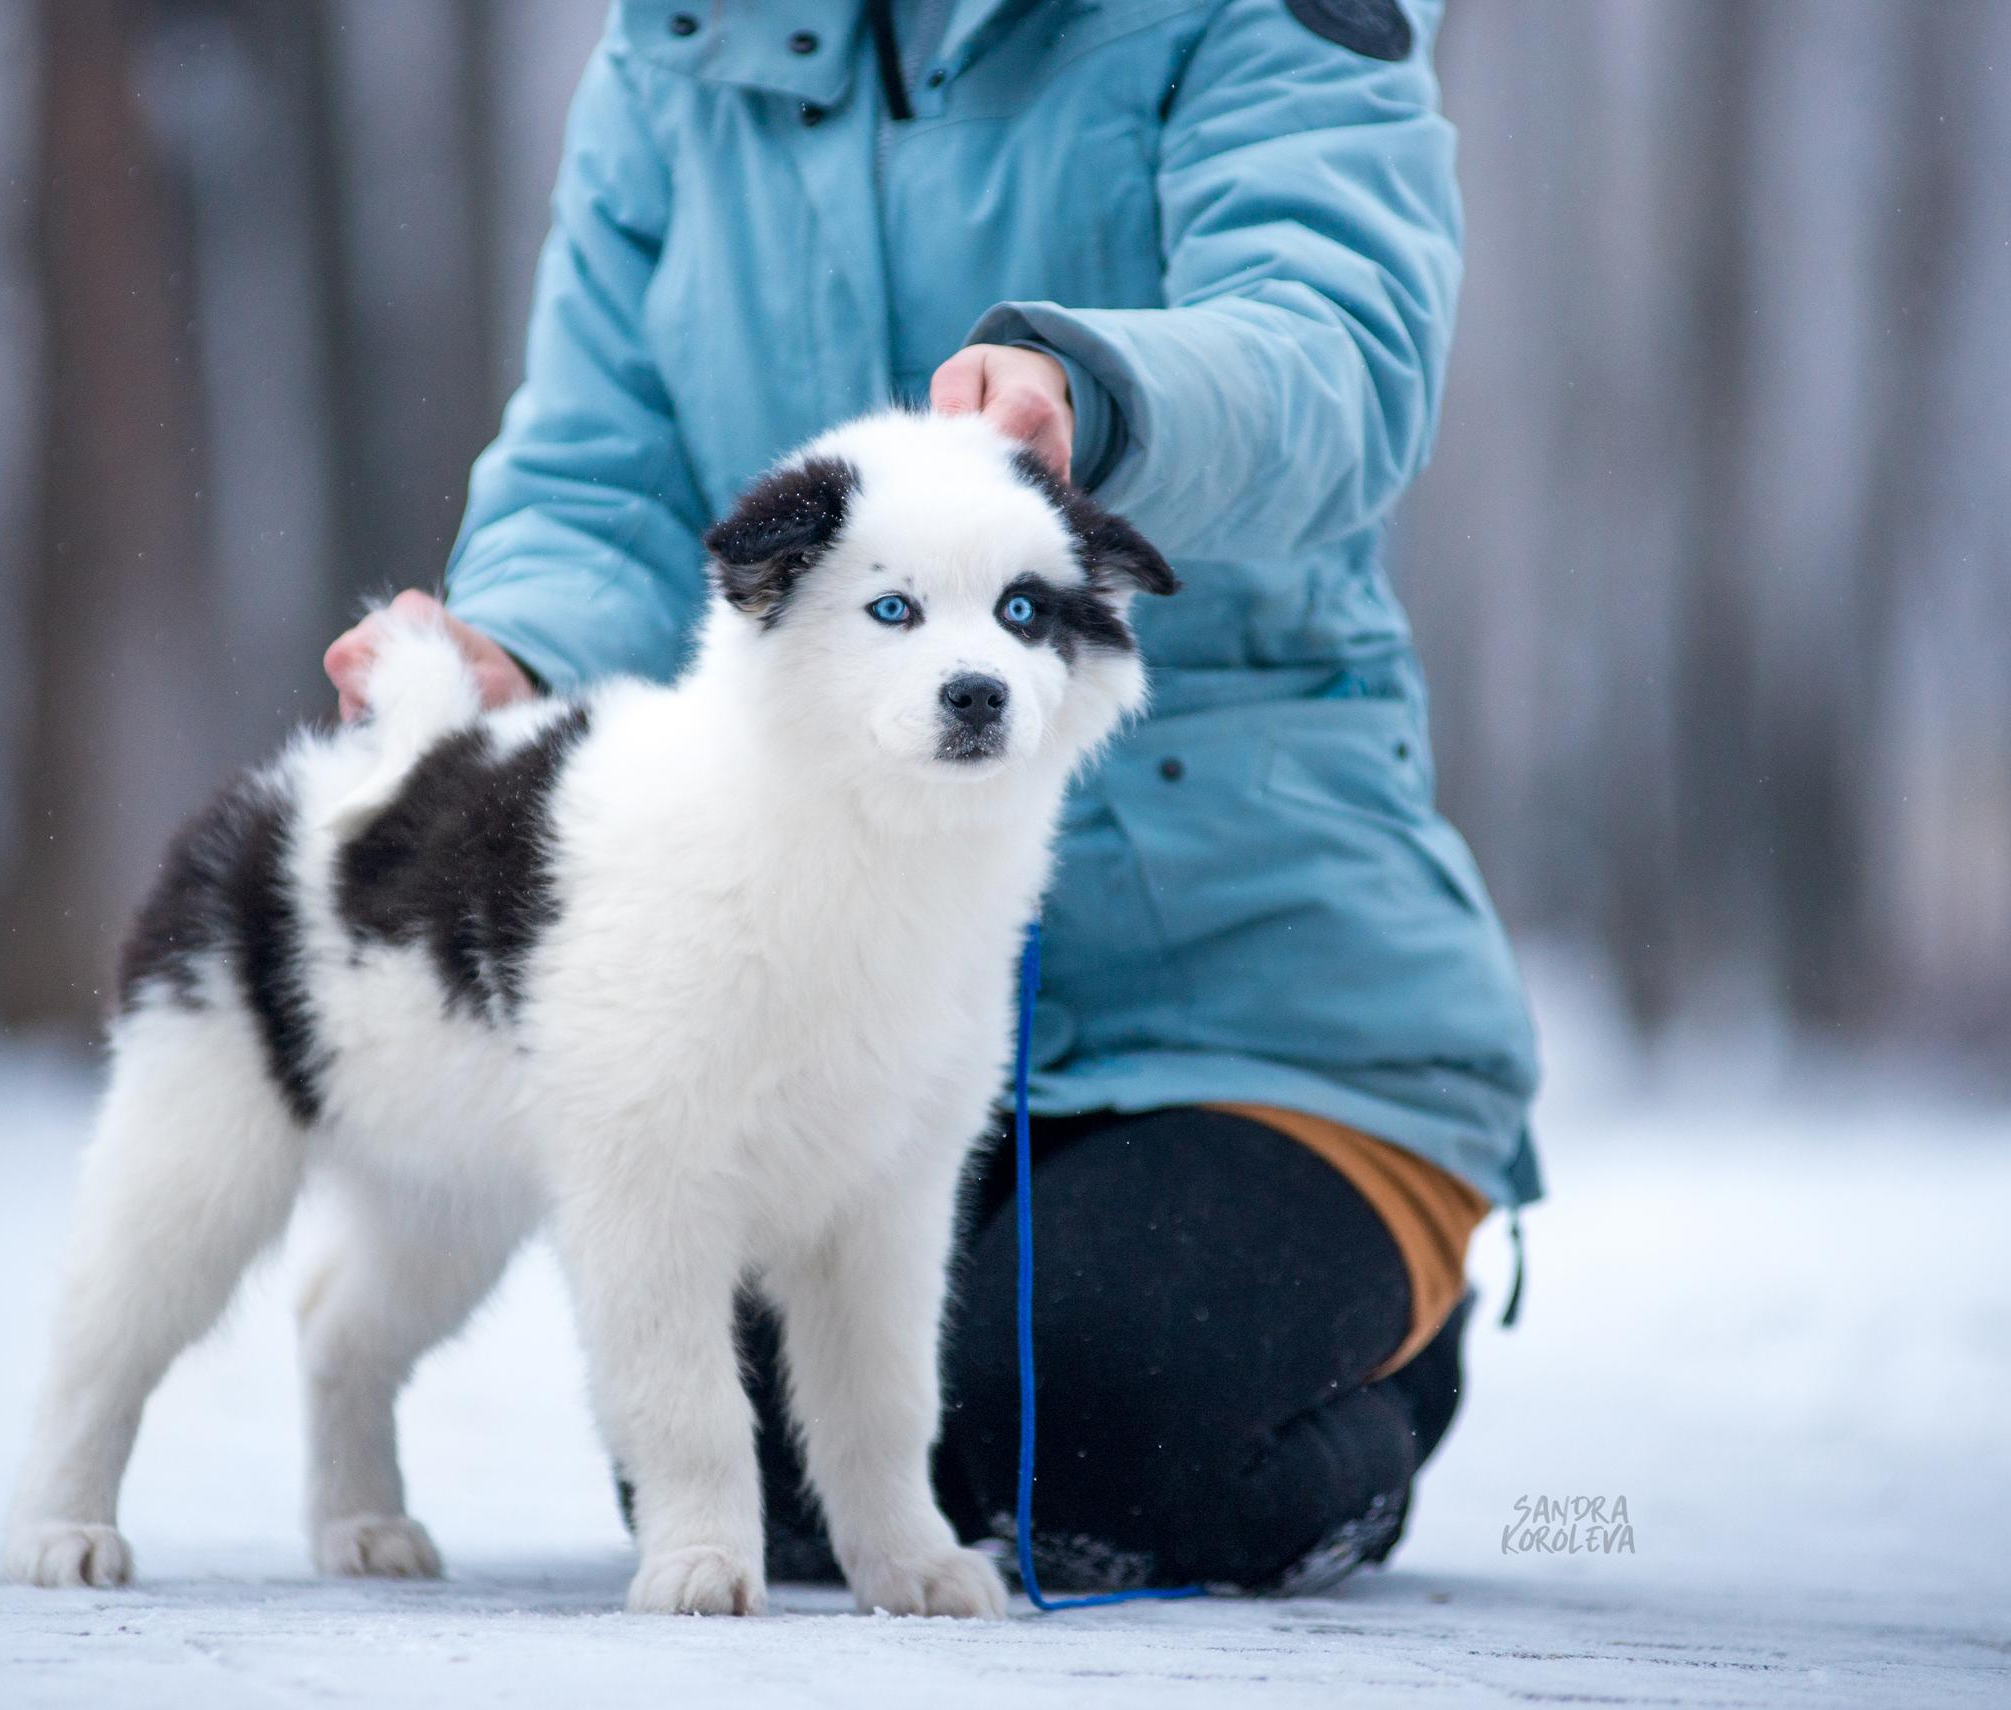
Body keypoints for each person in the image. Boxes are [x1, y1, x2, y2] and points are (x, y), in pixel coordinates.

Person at [325, 0, 1539, 1595]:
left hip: (1253, 1001)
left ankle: (1368, 1356)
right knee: (764, 1472)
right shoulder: (684, 48)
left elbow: (1341, 353)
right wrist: (513, 651)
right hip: (832, 1015)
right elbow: (600, 476)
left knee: (1100, 1419)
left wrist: (1094, 395)